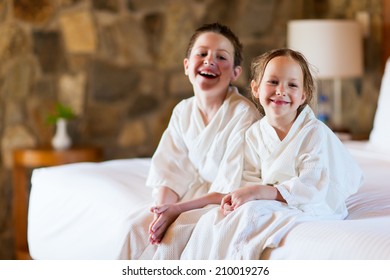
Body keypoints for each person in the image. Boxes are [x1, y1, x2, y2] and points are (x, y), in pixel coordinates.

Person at [178, 48, 364, 259]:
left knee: (250, 215)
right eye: (273, 82)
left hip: (315, 202)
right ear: (256, 89)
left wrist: (261, 193)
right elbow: (250, 179)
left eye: (292, 85)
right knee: (216, 219)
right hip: (272, 197)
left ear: (303, 95)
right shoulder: (254, 134)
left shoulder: (313, 132)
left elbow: (312, 185)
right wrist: (240, 198)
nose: (281, 91)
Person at [124, 23, 259, 259]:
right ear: (187, 65)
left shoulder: (243, 115)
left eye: (221, 57)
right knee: (135, 228)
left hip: (225, 202)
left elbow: (230, 187)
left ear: (235, 72)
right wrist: (162, 211)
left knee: (174, 236)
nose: (209, 61)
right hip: (193, 197)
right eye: (202, 53)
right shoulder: (183, 111)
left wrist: (177, 211)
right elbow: (171, 170)